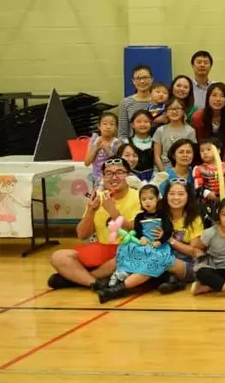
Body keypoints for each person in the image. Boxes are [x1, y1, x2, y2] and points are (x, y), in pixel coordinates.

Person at [47, 157, 141, 290]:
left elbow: (137, 229)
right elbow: (82, 234)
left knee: (130, 255)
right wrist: (91, 211)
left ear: (128, 175)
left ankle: (76, 279)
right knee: (59, 257)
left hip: (126, 249)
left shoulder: (139, 196)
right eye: (109, 173)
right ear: (103, 177)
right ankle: (95, 283)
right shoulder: (98, 197)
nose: (114, 177)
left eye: (119, 172)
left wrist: (113, 212)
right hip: (102, 248)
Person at [190, 83, 225, 163]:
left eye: (222, 96)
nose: (218, 99)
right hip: (204, 157)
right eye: (214, 95)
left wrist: (223, 164)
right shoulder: (198, 117)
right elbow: (200, 143)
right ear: (208, 97)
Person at [152, 98, 197, 172]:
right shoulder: (160, 130)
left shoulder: (190, 131)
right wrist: (163, 172)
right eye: (171, 109)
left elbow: (192, 154)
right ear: (166, 112)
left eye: (178, 108)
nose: (174, 111)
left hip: (183, 168)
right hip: (163, 168)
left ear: (183, 112)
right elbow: (157, 156)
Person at [85, 112, 123, 189]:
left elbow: (120, 164)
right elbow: (87, 162)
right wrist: (96, 148)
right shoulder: (93, 140)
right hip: (97, 179)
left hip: (113, 180)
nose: (108, 127)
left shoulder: (117, 142)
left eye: (112, 124)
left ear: (116, 127)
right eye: (105, 124)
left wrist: (109, 150)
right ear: (99, 126)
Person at [118, 64, 155, 139]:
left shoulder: (159, 102)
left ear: (152, 79)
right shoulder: (126, 102)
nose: (142, 81)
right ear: (133, 81)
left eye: (145, 77)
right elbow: (122, 133)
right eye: (138, 78)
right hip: (133, 147)